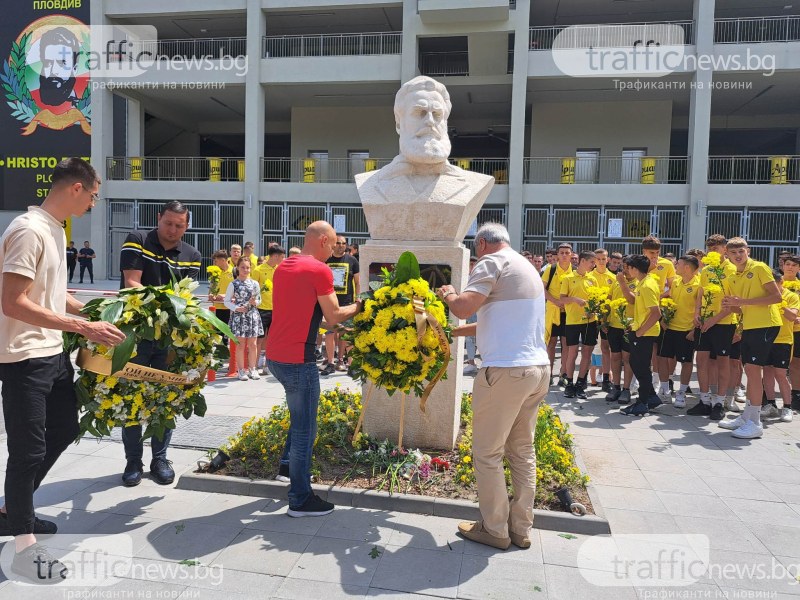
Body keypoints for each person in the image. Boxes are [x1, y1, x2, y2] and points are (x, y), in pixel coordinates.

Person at [0, 158, 126, 582]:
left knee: (64, 429)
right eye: (93, 195)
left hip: (52, 355)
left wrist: (94, 310)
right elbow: (13, 301)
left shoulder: (55, 229)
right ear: (76, 188)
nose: (94, 203)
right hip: (22, 358)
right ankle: (23, 545)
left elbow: (52, 293)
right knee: (27, 450)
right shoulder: (27, 231)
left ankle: (13, 512)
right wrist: (80, 325)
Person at [439, 223, 549, 551]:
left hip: (504, 372)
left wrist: (447, 294)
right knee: (522, 451)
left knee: (487, 454)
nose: (475, 258)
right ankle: (520, 528)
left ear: (483, 243)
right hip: (536, 370)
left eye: (475, 251)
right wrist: (451, 334)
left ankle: (494, 529)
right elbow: (494, 320)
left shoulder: (491, 262)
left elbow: (462, 307)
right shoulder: (525, 266)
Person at [266, 221, 362, 517]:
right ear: (322, 240)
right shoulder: (320, 269)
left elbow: (301, 311)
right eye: (333, 244)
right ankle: (299, 498)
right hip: (299, 360)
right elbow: (333, 315)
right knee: (306, 429)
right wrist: (361, 306)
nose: (336, 250)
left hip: (276, 356)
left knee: (298, 417)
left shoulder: (284, 266)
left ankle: (286, 467)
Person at [118, 200, 201, 486]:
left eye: (179, 225)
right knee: (130, 397)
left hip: (169, 341)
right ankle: (132, 460)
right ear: (158, 218)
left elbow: (186, 298)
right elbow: (132, 283)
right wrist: (168, 305)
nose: (173, 230)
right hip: (136, 336)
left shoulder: (192, 254)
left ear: (187, 226)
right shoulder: (137, 240)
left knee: (166, 398)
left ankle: (160, 458)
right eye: (168, 223)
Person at [718, 237, 782, 439]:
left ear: (748, 251)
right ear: (726, 255)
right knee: (749, 370)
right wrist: (729, 306)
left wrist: (742, 301)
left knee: (754, 371)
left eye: (741, 252)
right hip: (750, 325)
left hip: (766, 324)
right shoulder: (732, 277)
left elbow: (777, 297)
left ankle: (755, 422)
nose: (738, 256)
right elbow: (741, 307)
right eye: (733, 253)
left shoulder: (760, 268)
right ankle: (748, 415)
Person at [689, 234, 738, 420]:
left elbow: (732, 303)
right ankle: (704, 400)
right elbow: (701, 293)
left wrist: (715, 319)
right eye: (710, 249)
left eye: (716, 249)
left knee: (721, 362)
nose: (713, 252)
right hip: (704, 322)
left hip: (724, 323)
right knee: (701, 360)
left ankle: (719, 402)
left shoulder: (732, 270)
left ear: (725, 249)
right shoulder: (707, 270)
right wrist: (697, 313)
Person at [618, 254, 662, 416]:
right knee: (636, 364)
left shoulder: (647, 286)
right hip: (640, 330)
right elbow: (635, 303)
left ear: (635, 269)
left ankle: (642, 403)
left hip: (645, 332)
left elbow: (656, 313)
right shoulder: (642, 283)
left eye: (628, 267)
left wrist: (640, 332)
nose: (627, 270)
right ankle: (651, 397)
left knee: (640, 367)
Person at [657, 255, 701, 409]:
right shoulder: (675, 281)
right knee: (662, 358)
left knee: (686, 362)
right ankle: (664, 390)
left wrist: (694, 330)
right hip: (669, 328)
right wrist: (663, 317)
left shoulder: (699, 284)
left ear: (687, 267)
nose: (675, 266)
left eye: (678, 264)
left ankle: (681, 392)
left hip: (686, 330)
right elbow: (667, 299)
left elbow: (701, 309)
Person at [560, 250, 599, 400]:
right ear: (582, 261)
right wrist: (575, 299)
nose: (593, 265)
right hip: (573, 321)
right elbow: (562, 299)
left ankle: (581, 382)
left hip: (590, 321)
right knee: (572, 352)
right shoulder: (568, 278)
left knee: (587, 353)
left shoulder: (593, 279)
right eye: (592, 262)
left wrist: (593, 309)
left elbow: (596, 298)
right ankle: (569, 383)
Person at [762, 270, 798, 422]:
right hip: (766, 338)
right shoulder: (764, 296)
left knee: (780, 374)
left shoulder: (791, 296)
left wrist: (781, 305)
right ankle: (771, 404)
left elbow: (793, 317)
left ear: (781, 282)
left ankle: (787, 407)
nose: (771, 289)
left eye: (774, 285)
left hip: (783, 340)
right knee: (767, 373)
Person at [321, 235, 360, 375]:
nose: (341, 245)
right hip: (329, 303)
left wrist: (357, 300)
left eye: (344, 243)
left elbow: (357, 282)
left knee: (347, 334)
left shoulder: (352, 260)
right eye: (338, 243)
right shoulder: (327, 260)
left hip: (347, 304)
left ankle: (351, 365)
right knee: (330, 334)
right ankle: (330, 363)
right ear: (334, 244)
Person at [605, 257, 637, 405]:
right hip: (613, 325)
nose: (625, 270)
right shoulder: (616, 282)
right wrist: (604, 319)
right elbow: (608, 300)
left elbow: (632, 301)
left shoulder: (638, 283)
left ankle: (626, 389)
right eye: (623, 266)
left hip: (628, 327)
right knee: (615, 357)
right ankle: (616, 386)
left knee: (627, 358)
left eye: (628, 267)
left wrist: (623, 283)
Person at [224, 257, 263, 380]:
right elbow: (226, 301)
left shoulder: (255, 283)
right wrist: (236, 308)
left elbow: (259, 300)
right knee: (240, 345)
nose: (245, 270)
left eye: (248, 267)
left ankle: (252, 369)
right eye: (243, 267)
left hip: (252, 316)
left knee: (253, 344)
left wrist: (254, 302)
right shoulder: (233, 284)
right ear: (237, 268)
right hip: (239, 317)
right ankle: (241, 370)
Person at [252, 245, 285, 375]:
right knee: (259, 339)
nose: (284, 259)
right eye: (282, 257)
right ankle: (254, 367)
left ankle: (267, 366)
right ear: (275, 256)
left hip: (276, 310)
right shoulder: (258, 270)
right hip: (261, 309)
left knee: (272, 339)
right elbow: (253, 290)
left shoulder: (281, 269)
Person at [543, 243, 572, 385]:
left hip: (568, 313)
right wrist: (555, 301)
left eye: (567, 252)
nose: (565, 255)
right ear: (557, 255)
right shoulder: (551, 269)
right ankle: (548, 374)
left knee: (566, 343)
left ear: (571, 254)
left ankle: (563, 373)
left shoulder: (575, 271)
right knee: (551, 343)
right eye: (562, 253)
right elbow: (542, 289)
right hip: (553, 311)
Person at [593, 249, 616, 392]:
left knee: (609, 349)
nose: (601, 261)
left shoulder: (613, 278)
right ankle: (588, 378)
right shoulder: (589, 276)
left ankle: (607, 377)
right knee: (591, 349)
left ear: (607, 260)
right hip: (593, 319)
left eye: (604, 258)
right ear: (594, 261)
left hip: (609, 319)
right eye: (598, 259)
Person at [782, 255, 800, 412]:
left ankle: (796, 395)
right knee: (771, 365)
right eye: (788, 264)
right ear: (782, 266)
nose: (790, 267)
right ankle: (767, 396)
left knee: (795, 363)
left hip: (797, 329)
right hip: (778, 328)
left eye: (794, 265)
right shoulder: (776, 283)